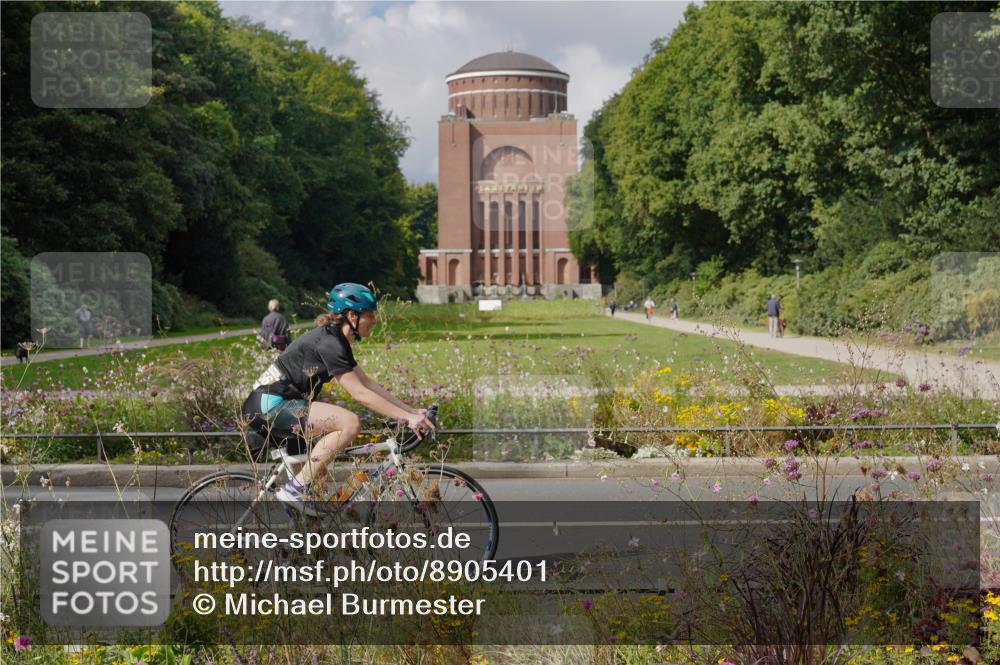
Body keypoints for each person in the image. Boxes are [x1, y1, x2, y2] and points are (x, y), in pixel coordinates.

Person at [241, 283, 435, 514]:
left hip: (283, 405)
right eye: (370, 315)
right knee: (349, 422)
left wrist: (411, 413)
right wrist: (407, 417)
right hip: (269, 405)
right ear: (352, 315)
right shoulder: (329, 343)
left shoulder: (336, 341)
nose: (374, 320)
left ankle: (302, 544)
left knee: (317, 492)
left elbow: (368, 384)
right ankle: (294, 490)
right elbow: (360, 394)